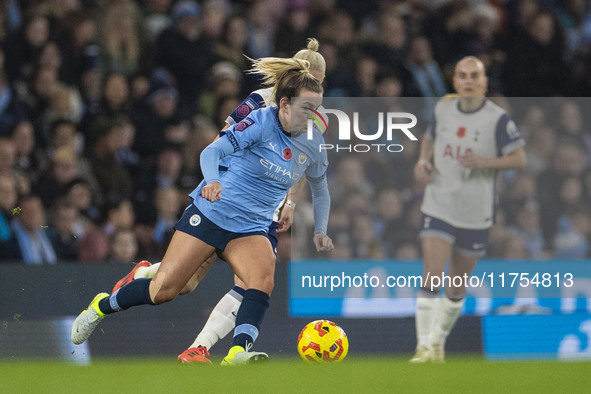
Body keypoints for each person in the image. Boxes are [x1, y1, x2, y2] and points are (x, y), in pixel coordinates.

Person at [71, 57, 332, 366]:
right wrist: (213, 180)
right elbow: (213, 148)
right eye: (307, 107)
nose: (313, 115)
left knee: (260, 280)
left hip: (253, 226)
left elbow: (319, 185)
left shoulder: (313, 139)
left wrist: (315, 224)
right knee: (166, 291)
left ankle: (238, 352)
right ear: (286, 103)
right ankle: (102, 306)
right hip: (214, 211)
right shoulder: (261, 117)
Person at [411, 56, 526, 363]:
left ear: (485, 81)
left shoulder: (498, 119)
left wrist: (485, 163)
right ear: (456, 81)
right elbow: (430, 136)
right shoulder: (443, 109)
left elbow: (518, 158)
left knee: (456, 285)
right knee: (432, 275)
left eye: (475, 75)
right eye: (462, 75)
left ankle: (437, 342)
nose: (469, 81)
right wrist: (423, 160)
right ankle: (423, 347)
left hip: (475, 212)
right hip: (439, 202)